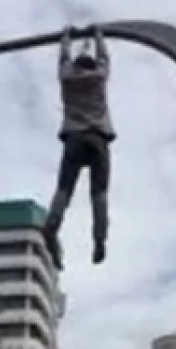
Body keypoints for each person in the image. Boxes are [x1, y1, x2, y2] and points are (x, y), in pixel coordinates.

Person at [43, 25, 116, 271]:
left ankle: (51, 228)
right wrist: (98, 35)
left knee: (64, 189)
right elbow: (105, 57)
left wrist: (65, 37)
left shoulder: (67, 78)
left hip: (74, 138)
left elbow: (63, 58)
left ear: (76, 65)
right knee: (99, 193)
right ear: (91, 65)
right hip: (97, 138)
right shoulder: (98, 77)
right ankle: (99, 239)